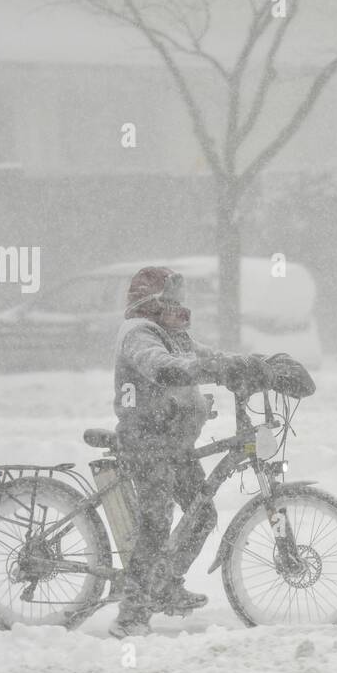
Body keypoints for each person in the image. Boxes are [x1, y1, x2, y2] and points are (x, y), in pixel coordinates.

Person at [109, 265, 267, 638]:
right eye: (171, 299)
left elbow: (205, 355)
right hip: (147, 442)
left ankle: (164, 583)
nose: (179, 306)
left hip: (174, 443)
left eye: (180, 300)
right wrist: (211, 371)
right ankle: (131, 613)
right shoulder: (139, 334)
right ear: (151, 301)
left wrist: (248, 364)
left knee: (201, 513)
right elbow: (164, 368)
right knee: (157, 522)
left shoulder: (173, 334)